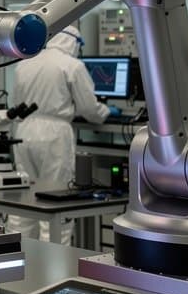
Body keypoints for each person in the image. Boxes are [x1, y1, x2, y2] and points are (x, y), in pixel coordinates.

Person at [8, 26, 117, 243]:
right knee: (56, 199)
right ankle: (52, 261)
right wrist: (106, 112)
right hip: (55, 135)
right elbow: (89, 108)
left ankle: (19, 257)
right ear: (73, 42)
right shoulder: (72, 65)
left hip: (24, 132)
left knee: (24, 200)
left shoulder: (25, 63)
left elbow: (15, 104)